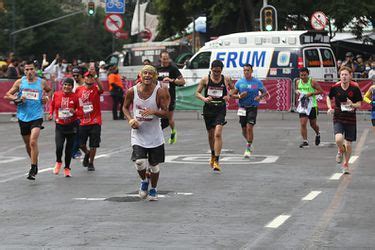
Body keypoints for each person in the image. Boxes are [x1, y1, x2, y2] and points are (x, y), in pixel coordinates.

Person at [123, 65, 169, 201]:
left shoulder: (160, 92)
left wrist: (154, 111)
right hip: (138, 134)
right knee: (139, 162)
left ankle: (153, 188)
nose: (147, 76)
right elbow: (125, 107)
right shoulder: (132, 91)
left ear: (154, 76)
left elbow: (166, 113)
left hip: (155, 135)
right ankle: (144, 181)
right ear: (140, 75)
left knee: (154, 166)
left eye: (150, 74)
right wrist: (131, 120)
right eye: (145, 73)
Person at [4, 60, 52, 180]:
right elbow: (7, 95)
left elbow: (49, 91)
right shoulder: (20, 82)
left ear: (35, 70)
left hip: (37, 116)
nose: (29, 72)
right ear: (23, 71)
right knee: (27, 144)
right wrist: (18, 98)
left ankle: (33, 167)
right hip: (23, 116)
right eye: (27, 70)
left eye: (31, 69)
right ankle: (34, 160)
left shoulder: (42, 82)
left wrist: (46, 97)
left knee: (33, 141)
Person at [195, 60, 233, 172]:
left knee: (217, 134)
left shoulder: (226, 79)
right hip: (209, 109)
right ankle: (212, 154)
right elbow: (197, 93)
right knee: (211, 135)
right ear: (211, 69)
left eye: (218, 71)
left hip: (220, 109)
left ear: (221, 70)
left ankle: (216, 161)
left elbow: (234, 88)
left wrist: (228, 95)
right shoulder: (205, 79)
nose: (216, 73)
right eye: (214, 71)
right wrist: (204, 99)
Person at [326, 66, 362, 174]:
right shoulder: (335, 87)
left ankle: (346, 164)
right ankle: (340, 149)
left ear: (350, 76)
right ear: (340, 76)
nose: (344, 77)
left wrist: (352, 104)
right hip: (338, 116)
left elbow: (359, 104)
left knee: (349, 145)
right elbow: (328, 97)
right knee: (338, 139)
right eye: (342, 75)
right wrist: (330, 108)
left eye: (346, 74)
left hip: (350, 117)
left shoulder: (355, 88)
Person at [230, 64, 269, 158]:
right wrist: (239, 96)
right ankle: (250, 143)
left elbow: (265, 92)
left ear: (251, 71)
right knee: (243, 130)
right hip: (242, 107)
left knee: (249, 127)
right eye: (244, 70)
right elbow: (231, 94)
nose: (246, 72)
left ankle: (248, 148)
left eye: (248, 70)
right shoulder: (239, 82)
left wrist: (259, 96)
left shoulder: (257, 82)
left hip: (252, 107)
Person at [48, 78, 79, 177]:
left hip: (72, 125)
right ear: (62, 85)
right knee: (59, 146)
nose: (67, 87)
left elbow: (80, 109)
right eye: (65, 84)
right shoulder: (56, 94)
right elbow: (52, 105)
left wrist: (75, 112)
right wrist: (50, 114)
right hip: (60, 125)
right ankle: (58, 162)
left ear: (72, 86)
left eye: (69, 85)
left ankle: (67, 168)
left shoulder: (75, 96)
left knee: (69, 149)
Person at [75, 71, 104, 171]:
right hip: (83, 120)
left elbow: (102, 89)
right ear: (84, 78)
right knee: (81, 144)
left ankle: (91, 163)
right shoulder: (78, 90)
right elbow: (75, 102)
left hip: (95, 120)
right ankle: (87, 153)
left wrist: (96, 77)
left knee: (93, 144)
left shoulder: (96, 89)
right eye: (88, 77)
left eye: (92, 77)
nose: (90, 79)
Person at [157, 50, 186, 144]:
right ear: (160, 58)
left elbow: (182, 81)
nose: (165, 60)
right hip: (157, 97)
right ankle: (156, 134)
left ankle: (173, 131)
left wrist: (171, 80)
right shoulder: (156, 69)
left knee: (168, 119)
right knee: (158, 117)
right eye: (164, 59)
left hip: (169, 97)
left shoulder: (173, 69)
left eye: (167, 59)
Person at [295, 67, 324, 148]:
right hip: (303, 105)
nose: (303, 77)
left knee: (313, 124)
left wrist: (311, 93)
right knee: (303, 123)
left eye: (305, 75)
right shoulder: (298, 82)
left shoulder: (312, 82)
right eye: (301, 75)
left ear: (308, 74)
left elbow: (321, 91)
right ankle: (305, 141)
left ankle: (318, 133)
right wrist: (297, 91)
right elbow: (297, 90)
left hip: (312, 105)